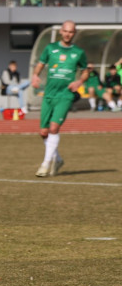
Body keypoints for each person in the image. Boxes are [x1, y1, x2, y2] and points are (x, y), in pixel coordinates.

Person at [30, 20, 89, 177]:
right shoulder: (50, 48)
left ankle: (45, 165)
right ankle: (58, 159)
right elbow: (40, 64)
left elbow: (85, 71)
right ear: (61, 32)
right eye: (66, 31)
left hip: (65, 95)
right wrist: (35, 76)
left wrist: (79, 81)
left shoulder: (78, 52)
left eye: (71, 31)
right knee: (43, 132)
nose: (68, 34)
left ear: (74, 33)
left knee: (54, 128)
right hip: (49, 94)